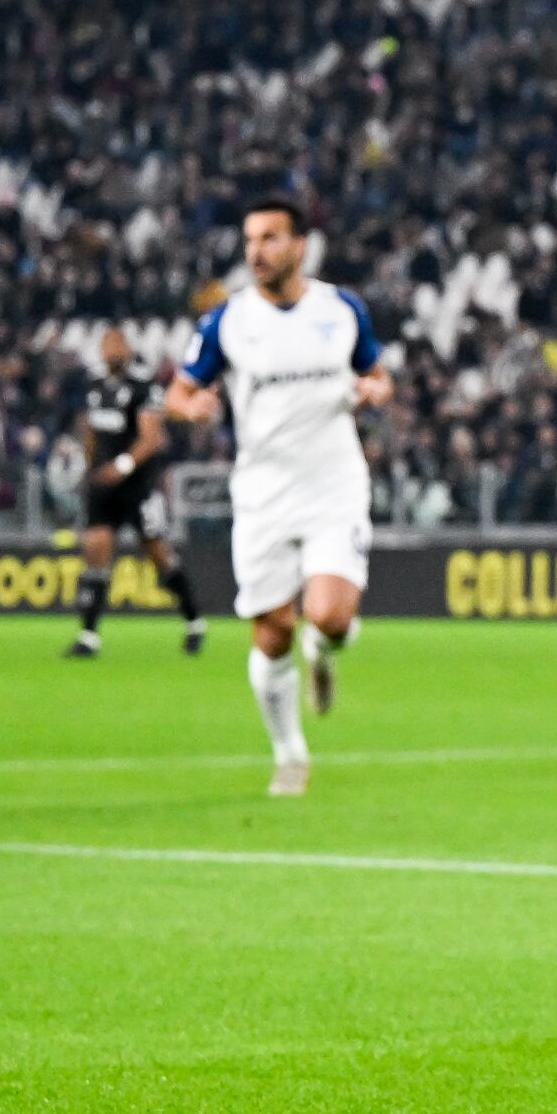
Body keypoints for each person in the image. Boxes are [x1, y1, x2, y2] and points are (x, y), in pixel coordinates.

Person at [162, 200, 388, 796]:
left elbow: (379, 372)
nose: (256, 252)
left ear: (300, 245)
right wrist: (195, 407)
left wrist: (372, 389)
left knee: (332, 615)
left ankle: (326, 648)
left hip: (334, 484)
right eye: (249, 241)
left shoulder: (341, 310)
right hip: (264, 491)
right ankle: (290, 752)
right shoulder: (227, 322)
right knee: (272, 633)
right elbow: (178, 393)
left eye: (269, 238)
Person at [69, 324, 206, 658]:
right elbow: (90, 431)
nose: (110, 350)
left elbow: (151, 437)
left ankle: (193, 619)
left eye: (116, 343)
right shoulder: (94, 384)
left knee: (159, 556)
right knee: (96, 549)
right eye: (105, 344)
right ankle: (88, 636)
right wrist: (88, 468)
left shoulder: (144, 387)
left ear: (128, 349)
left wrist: (124, 466)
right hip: (103, 484)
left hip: (137, 487)